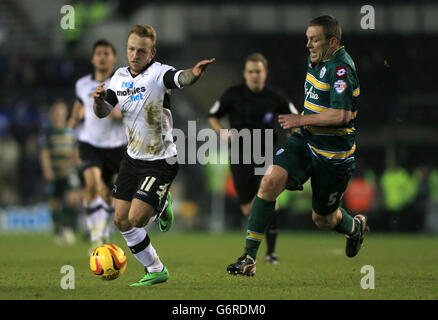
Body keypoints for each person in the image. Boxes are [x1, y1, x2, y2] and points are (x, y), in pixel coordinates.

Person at [227, 15, 367, 277]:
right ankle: (248, 257)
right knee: (269, 181)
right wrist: (302, 125)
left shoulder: (340, 69)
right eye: (307, 38)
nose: (308, 45)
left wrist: (300, 118)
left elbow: (342, 115)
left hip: (333, 155)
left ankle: (354, 228)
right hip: (305, 141)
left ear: (333, 42)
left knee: (323, 219)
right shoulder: (318, 58)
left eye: (314, 39)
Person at [93, 24, 214, 286]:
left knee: (138, 218)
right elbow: (103, 112)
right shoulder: (119, 77)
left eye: (142, 51)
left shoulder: (159, 73)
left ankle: (162, 202)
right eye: (131, 49)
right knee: (121, 220)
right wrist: (97, 100)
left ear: (152, 52)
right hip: (132, 158)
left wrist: (193, 74)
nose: (135, 54)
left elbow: (180, 78)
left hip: (161, 160)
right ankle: (156, 269)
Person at [208, 53, 298, 264]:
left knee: (268, 197)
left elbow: (294, 117)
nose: (254, 75)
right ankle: (264, 247)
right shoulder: (233, 94)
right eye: (250, 72)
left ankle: (271, 253)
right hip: (239, 156)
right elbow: (213, 115)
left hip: (265, 155)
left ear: (265, 73)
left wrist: (292, 132)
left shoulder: (275, 97)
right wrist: (222, 132)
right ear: (244, 74)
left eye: (258, 71)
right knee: (249, 208)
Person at [68, 39, 127, 252]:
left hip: (115, 145)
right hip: (89, 143)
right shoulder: (82, 84)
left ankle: (104, 231)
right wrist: (73, 121)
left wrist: (108, 109)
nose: (102, 57)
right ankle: (95, 236)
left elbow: (123, 115)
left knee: (108, 194)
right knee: (91, 185)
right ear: (93, 58)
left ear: (113, 58)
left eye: (107, 53)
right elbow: (77, 109)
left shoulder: (122, 83)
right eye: (99, 53)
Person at [40, 100, 81, 244]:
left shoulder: (71, 130)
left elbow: (76, 152)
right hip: (54, 171)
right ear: (52, 114)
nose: (58, 115)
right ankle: (57, 232)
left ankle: (68, 229)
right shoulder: (48, 131)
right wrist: (47, 170)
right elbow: (44, 152)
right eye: (56, 112)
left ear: (65, 114)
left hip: (68, 171)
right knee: (54, 202)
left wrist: (69, 166)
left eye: (61, 112)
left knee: (72, 199)